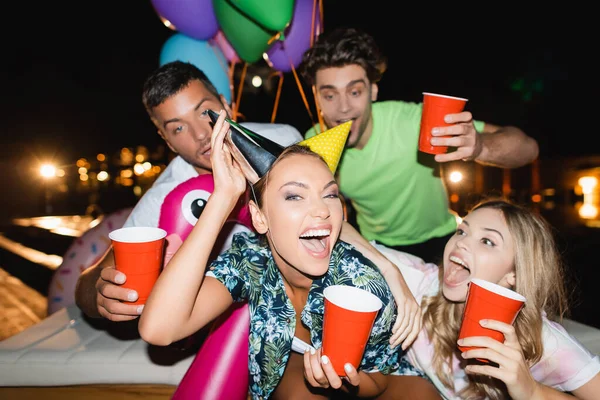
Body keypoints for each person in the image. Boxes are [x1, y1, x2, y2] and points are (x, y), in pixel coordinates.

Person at [138, 111, 441, 400]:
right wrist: (223, 197)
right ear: (259, 217)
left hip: (377, 383)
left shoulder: (361, 283)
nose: (323, 210)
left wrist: (349, 380)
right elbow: (159, 329)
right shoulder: (250, 261)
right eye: (294, 195)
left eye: (330, 194)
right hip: (291, 369)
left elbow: (379, 379)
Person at [74, 61, 303, 321]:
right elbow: (87, 283)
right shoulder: (164, 198)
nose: (200, 135)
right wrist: (101, 296)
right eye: (178, 128)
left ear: (225, 105)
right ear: (166, 139)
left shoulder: (284, 143)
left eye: (205, 111)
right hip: (219, 326)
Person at [298, 27, 540, 264]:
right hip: (377, 249)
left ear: (373, 90)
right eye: (330, 95)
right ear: (317, 97)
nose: (343, 108)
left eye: (355, 92)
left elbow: (529, 149)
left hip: (440, 242)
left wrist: (481, 147)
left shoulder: (412, 122)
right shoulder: (316, 143)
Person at [365, 199, 600, 399]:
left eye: (487, 241)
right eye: (461, 231)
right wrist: (387, 269)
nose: (461, 242)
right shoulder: (422, 283)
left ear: (514, 273)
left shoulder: (544, 341)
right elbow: (339, 230)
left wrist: (533, 392)